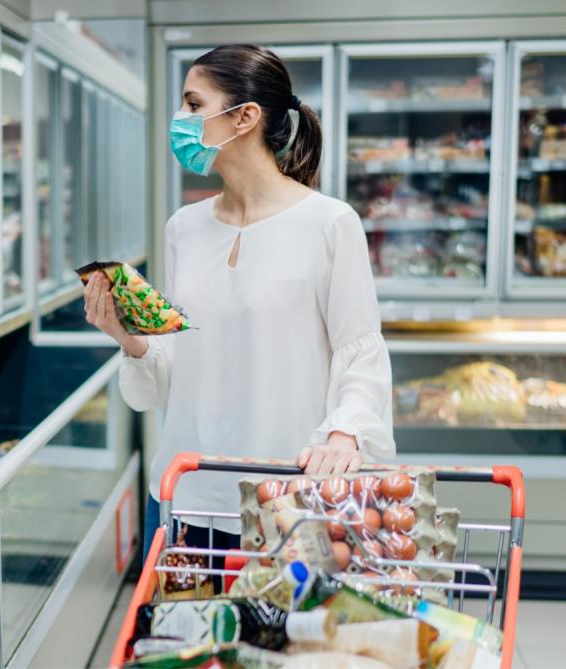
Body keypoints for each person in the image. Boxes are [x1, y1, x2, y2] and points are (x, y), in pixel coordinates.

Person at [82, 45, 394, 563]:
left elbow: (359, 350)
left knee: (279, 641)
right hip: (190, 495)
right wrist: (125, 334)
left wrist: (345, 433)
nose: (180, 120)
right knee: (193, 643)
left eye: (193, 104)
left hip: (290, 502)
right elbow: (176, 368)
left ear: (244, 116)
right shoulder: (184, 227)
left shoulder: (329, 224)